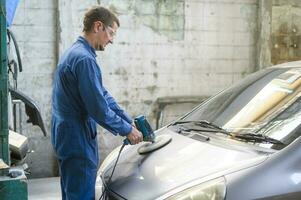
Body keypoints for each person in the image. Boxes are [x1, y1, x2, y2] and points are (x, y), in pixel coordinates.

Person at [51, 6, 143, 200]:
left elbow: (101, 95)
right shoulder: (84, 60)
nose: (111, 40)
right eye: (110, 33)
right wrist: (127, 130)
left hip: (67, 135)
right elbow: (98, 108)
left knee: (72, 192)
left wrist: (127, 119)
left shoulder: (75, 53)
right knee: (80, 195)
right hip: (78, 139)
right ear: (98, 26)